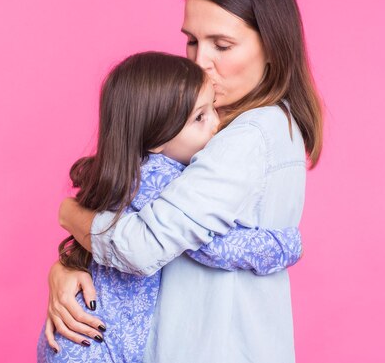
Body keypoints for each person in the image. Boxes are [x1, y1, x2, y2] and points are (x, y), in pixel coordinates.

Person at [47, 0, 323, 362]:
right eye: (192, 40)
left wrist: (70, 213)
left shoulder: (248, 137)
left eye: (223, 45)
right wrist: (67, 267)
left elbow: (141, 247)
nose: (199, 62)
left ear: (273, 47)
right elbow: (138, 222)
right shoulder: (214, 127)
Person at [37, 51, 302, 362]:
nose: (217, 125)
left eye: (212, 110)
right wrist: (284, 246)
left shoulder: (129, 170)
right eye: (200, 117)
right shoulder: (156, 177)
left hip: (83, 342)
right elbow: (213, 245)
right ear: (157, 138)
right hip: (90, 348)